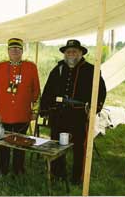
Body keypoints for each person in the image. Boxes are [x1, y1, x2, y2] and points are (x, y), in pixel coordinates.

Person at [40, 39, 106, 184]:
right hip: (59, 114)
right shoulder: (58, 69)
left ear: (81, 53)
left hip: (79, 115)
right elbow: (48, 89)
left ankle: (77, 177)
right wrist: (44, 109)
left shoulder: (91, 70)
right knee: (56, 144)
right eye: (68, 52)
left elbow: (101, 92)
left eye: (74, 51)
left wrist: (94, 109)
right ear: (65, 54)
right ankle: (58, 173)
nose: (71, 54)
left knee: (79, 148)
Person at [0, 38, 40, 175]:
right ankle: (2, 169)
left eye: (18, 49)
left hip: (23, 113)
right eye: (12, 49)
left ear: (22, 51)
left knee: (21, 143)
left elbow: (36, 91)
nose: (15, 51)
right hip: (4, 113)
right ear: (8, 51)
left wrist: (34, 111)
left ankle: (18, 169)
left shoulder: (31, 67)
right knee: (2, 142)